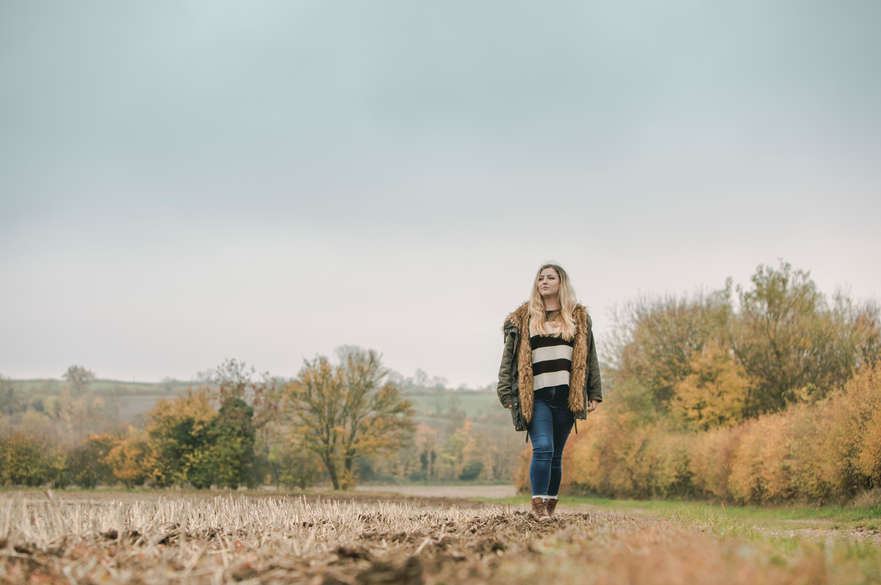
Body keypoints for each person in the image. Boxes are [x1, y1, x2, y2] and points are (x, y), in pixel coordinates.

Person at [496, 263, 602, 520]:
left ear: (561, 283)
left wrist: (594, 393)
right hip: (536, 396)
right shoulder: (522, 318)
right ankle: (538, 506)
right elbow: (508, 359)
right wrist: (506, 392)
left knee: (556, 454)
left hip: (567, 396)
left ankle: (550, 504)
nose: (543, 281)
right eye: (540, 278)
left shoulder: (578, 316)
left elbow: (589, 357)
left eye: (550, 277)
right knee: (542, 447)